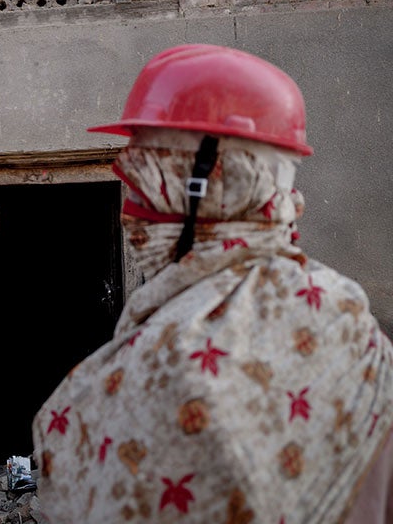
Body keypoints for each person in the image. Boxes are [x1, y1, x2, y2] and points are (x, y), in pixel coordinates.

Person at [32, 44, 393, 523]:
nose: (130, 213)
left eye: (146, 185)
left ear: (212, 184)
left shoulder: (172, 358)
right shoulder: (344, 305)